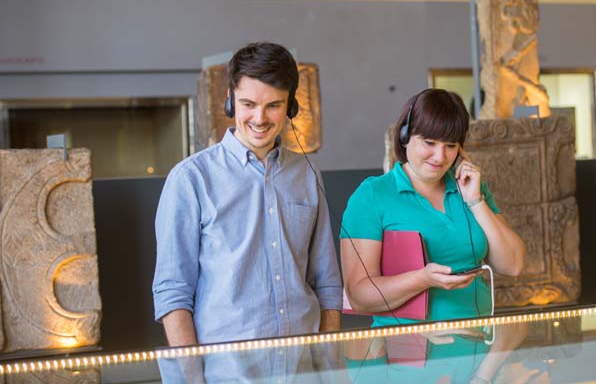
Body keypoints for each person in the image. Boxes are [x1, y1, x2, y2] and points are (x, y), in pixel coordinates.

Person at [153, 42, 342, 347]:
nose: (260, 118)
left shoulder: (307, 174)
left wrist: (328, 359)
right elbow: (172, 292)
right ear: (230, 101)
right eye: (248, 104)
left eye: (274, 105)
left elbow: (327, 282)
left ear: (291, 106)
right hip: (228, 371)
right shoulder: (190, 179)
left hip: (303, 367)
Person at [340, 88, 525, 327]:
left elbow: (513, 265)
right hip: (407, 353)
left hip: (477, 349)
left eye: (450, 145)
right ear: (405, 136)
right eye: (429, 142)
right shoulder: (372, 195)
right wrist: (423, 279)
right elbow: (359, 296)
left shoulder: (471, 189)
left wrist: (475, 201)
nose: (439, 157)